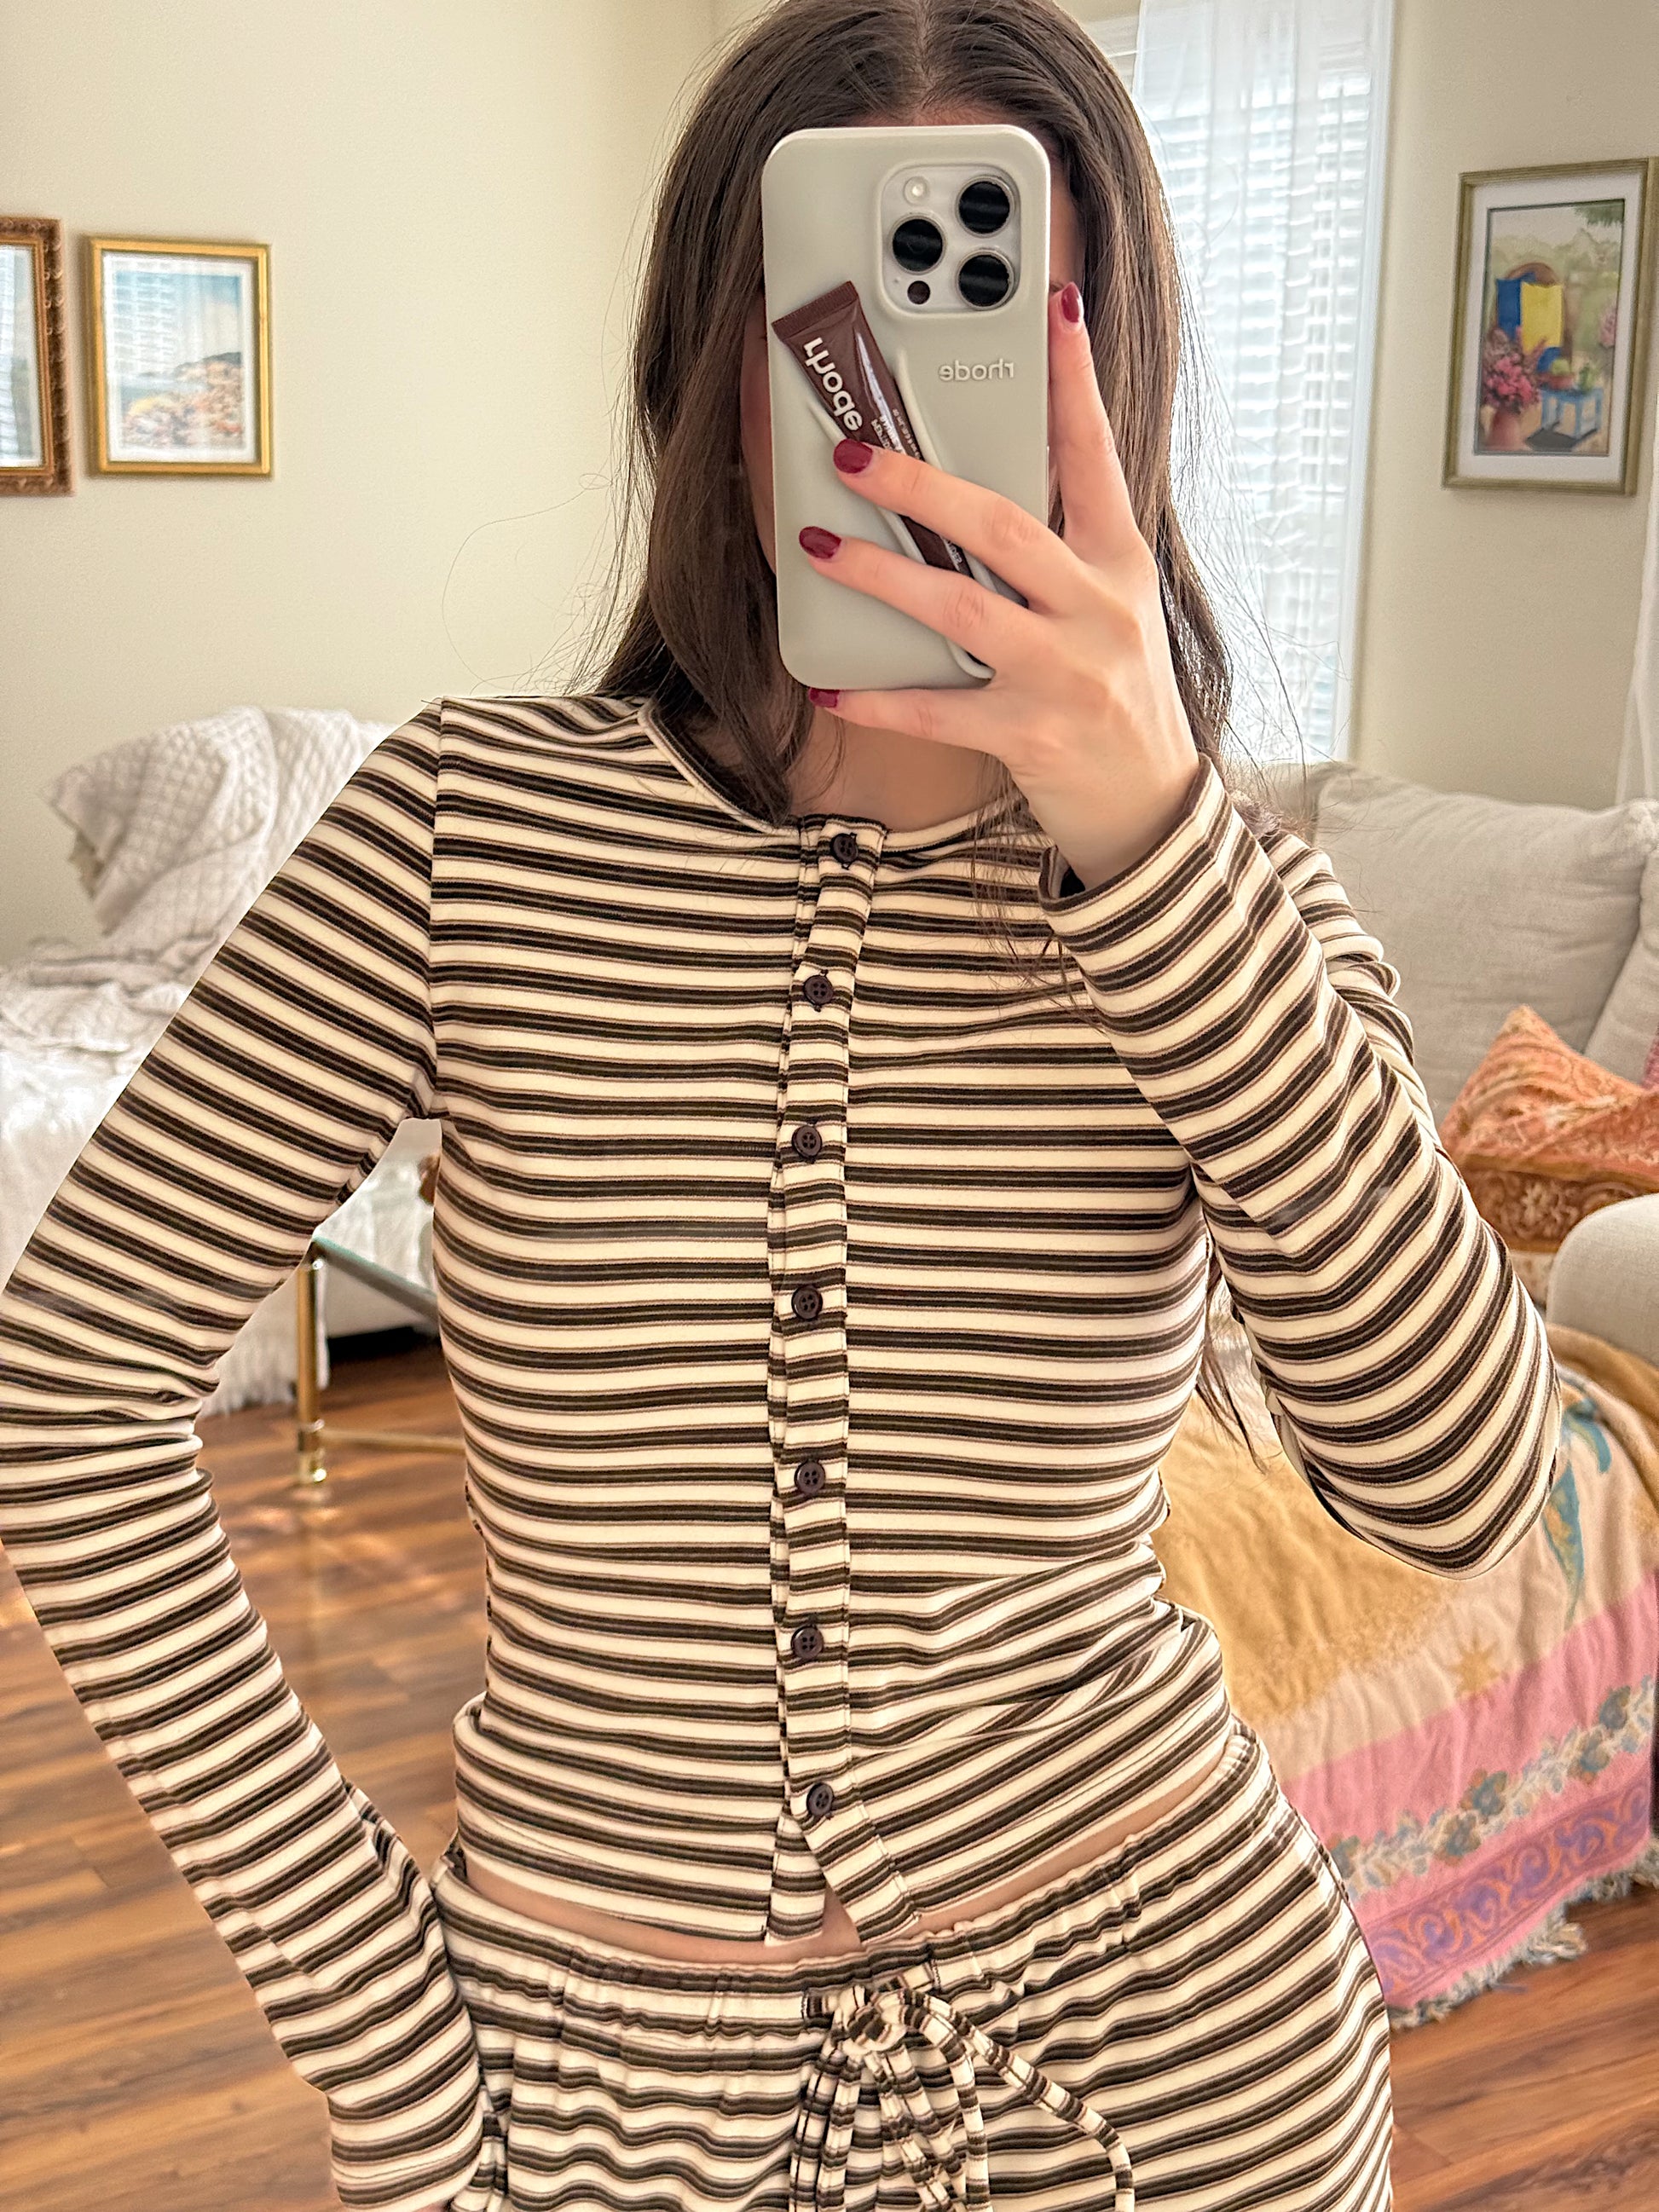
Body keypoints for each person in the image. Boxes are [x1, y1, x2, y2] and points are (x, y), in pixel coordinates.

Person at [0, 3, 1565, 2209]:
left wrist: (1152, 850)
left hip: (1183, 2069)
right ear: (712, 371)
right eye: (831, 327)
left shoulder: (1240, 917)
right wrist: (388, 2023)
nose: (899, 411)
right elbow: (69, 1389)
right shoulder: (461, 832)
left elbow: (1459, 1485)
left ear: (1110, 384)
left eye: (983, 327)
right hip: (574, 2078)